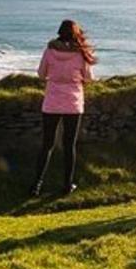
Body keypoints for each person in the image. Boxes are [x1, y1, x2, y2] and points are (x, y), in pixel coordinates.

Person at [32, 19, 96, 197]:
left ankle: (36, 185)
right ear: (75, 33)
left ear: (59, 32)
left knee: (47, 144)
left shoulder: (50, 51)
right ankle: (67, 185)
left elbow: (41, 74)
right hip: (73, 102)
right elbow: (89, 77)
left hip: (51, 101)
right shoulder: (80, 53)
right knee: (69, 146)